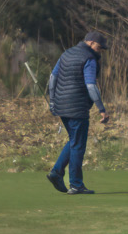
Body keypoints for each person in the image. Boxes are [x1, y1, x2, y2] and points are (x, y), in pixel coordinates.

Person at [44, 29, 109, 195]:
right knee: (78, 144)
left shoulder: (66, 54)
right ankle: (76, 184)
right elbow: (90, 85)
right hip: (77, 107)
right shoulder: (89, 58)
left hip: (61, 106)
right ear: (91, 43)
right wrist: (101, 108)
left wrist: (52, 100)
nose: (100, 52)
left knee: (74, 140)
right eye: (99, 48)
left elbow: (53, 77)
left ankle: (57, 173)